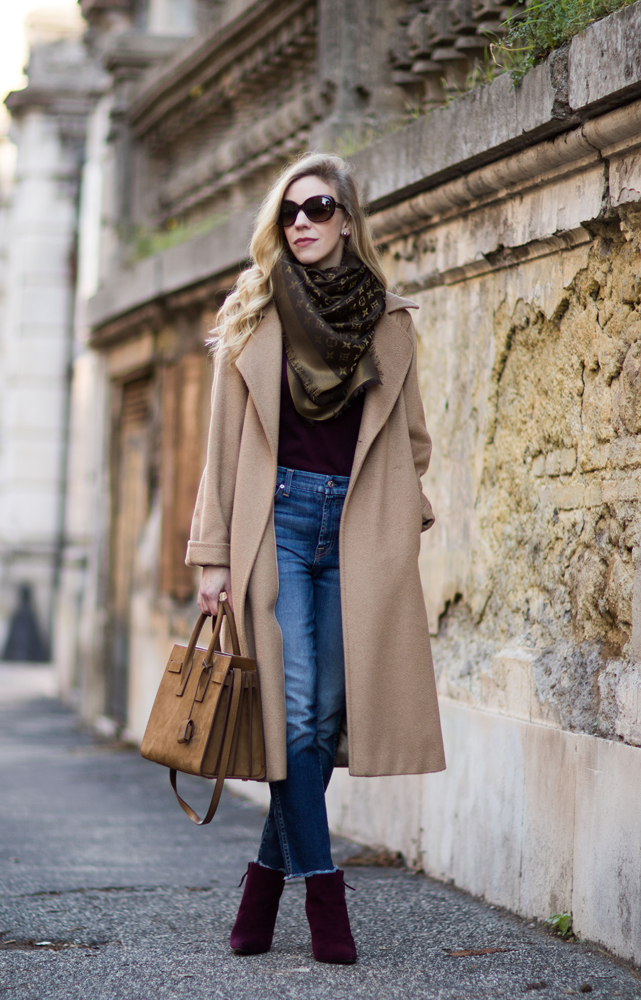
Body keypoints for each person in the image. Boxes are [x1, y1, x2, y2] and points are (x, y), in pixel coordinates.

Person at [186, 152, 445, 965]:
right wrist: (212, 557)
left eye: (318, 207)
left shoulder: (388, 320)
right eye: (290, 210)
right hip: (278, 526)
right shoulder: (253, 312)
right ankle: (325, 897)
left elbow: (411, 441)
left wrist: (407, 515)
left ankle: (262, 883)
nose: (301, 221)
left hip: (359, 528)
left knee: (327, 722)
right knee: (293, 714)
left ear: (345, 219)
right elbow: (221, 447)